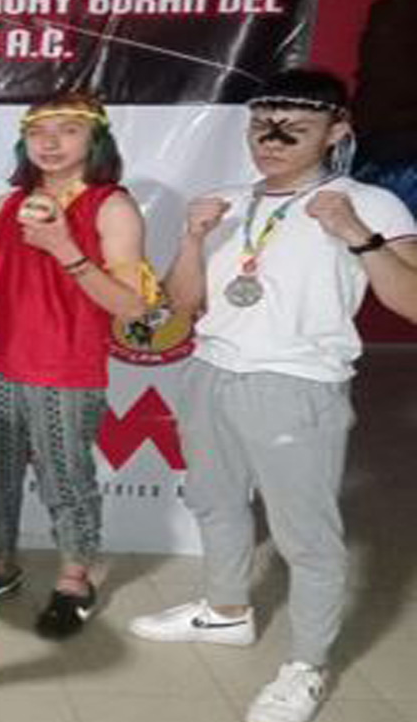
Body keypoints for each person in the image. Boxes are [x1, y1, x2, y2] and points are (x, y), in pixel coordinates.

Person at [128, 68, 417, 722]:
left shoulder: (369, 203)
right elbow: (182, 304)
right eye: (262, 126)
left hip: (297, 383)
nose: (273, 140)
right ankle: (225, 611)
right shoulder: (225, 199)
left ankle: (306, 666)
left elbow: (411, 301)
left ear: (336, 132)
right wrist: (193, 237)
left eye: (296, 128)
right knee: (214, 502)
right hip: (209, 369)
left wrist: (358, 236)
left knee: (306, 537)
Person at [0, 90, 151, 638]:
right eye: (39, 132)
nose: (51, 143)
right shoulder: (7, 202)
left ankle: (74, 582)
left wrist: (64, 247)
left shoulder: (111, 205)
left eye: (68, 130)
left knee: (66, 479)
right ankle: (0, 567)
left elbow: (132, 306)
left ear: (95, 140)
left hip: (64, 367)